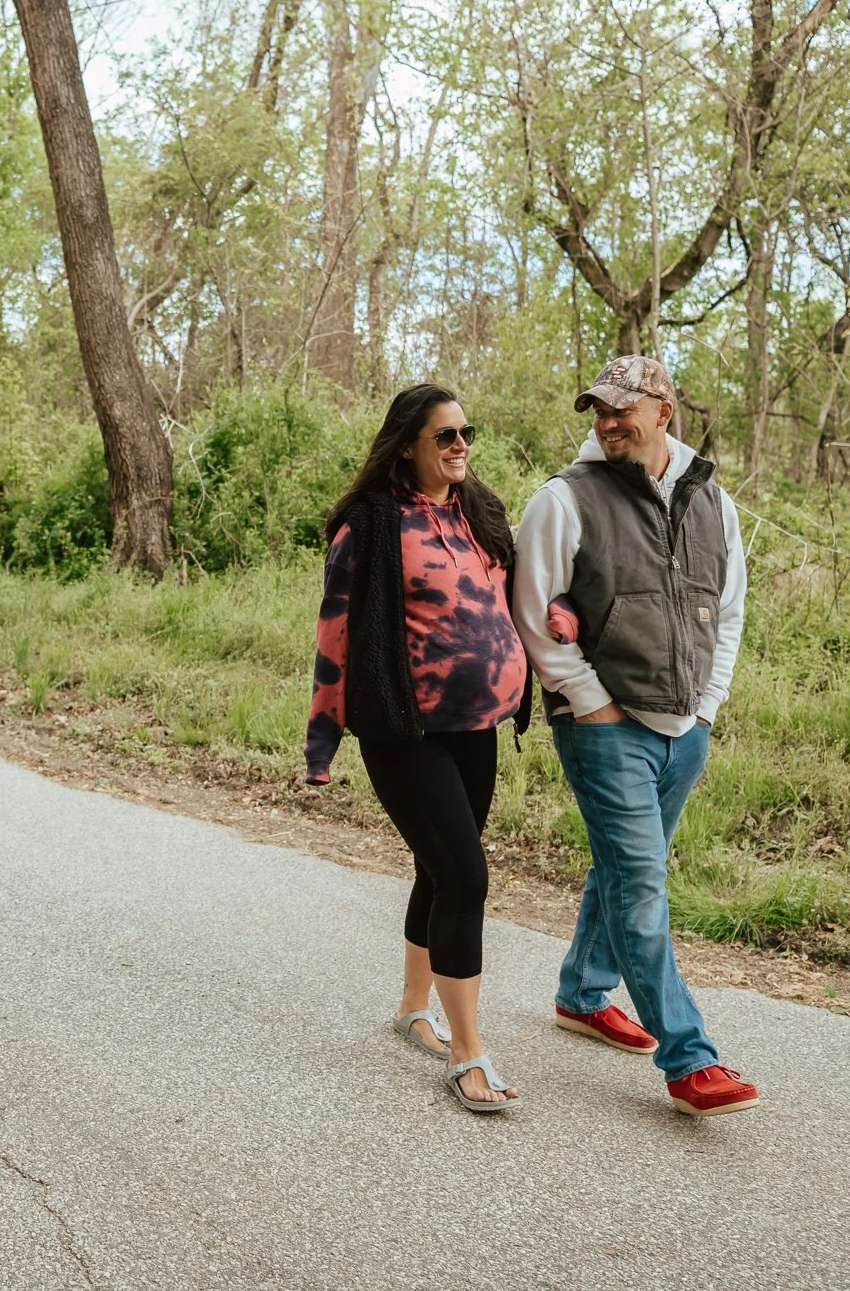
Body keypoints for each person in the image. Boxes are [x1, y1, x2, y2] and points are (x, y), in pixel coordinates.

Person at [512, 355, 759, 1117]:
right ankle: (690, 1058)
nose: (609, 421)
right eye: (599, 409)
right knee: (642, 885)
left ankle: (583, 993)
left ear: (665, 409)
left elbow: (729, 608)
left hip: (685, 727)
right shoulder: (563, 499)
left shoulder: (714, 501)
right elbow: (533, 611)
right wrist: (590, 703)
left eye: (624, 407)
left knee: (622, 869)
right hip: (605, 725)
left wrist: (708, 708)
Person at [303, 383, 530, 1112]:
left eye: (468, 432)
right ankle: (469, 1054)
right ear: (408, 444)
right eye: (446, 436)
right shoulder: (371, 525)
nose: (462, 446)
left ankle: (413, 1006)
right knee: (466, 877)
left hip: (478, 727)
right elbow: (336, 635)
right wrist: (322, 740)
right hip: (407, 731)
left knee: (438, 870)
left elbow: (511, 593)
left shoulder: (479, 509)